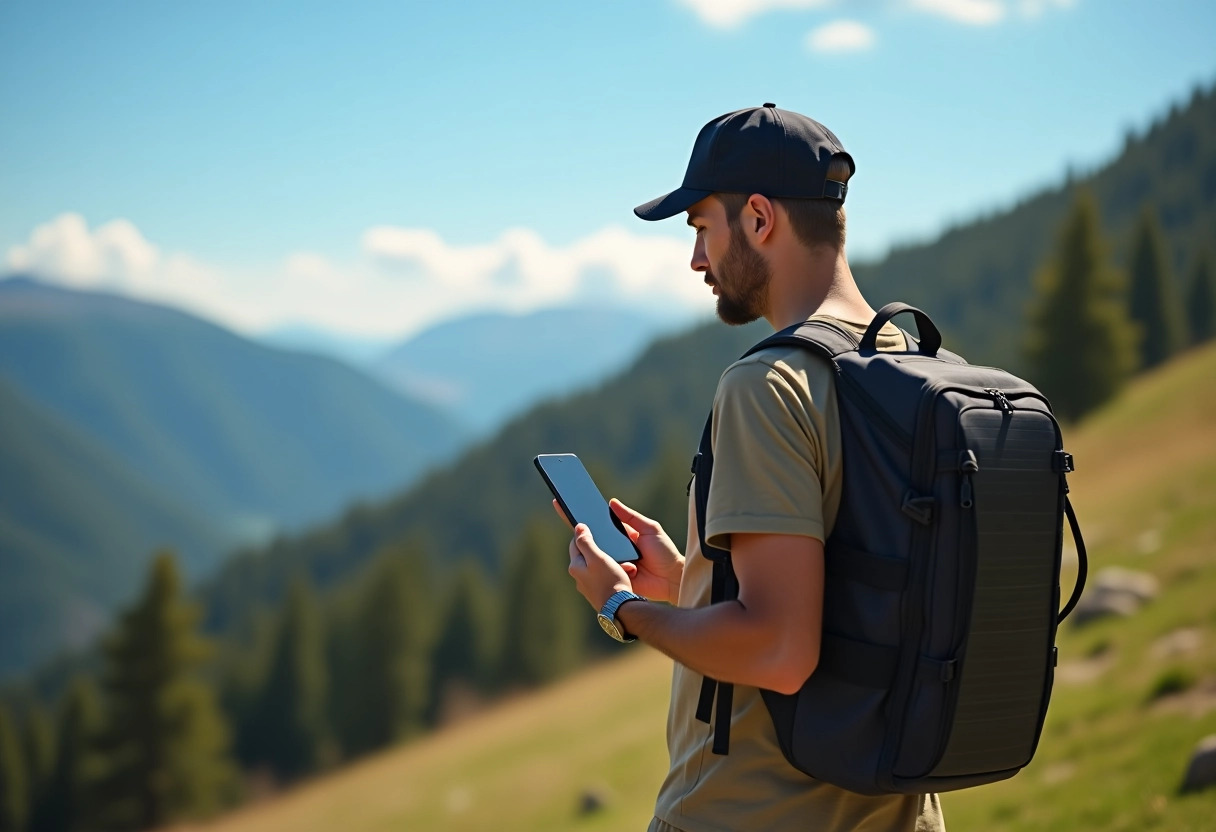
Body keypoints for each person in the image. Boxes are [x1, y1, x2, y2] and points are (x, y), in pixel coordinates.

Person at [562, 104, 946, 832]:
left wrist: (623, 608)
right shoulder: (908, 367)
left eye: (703, 227)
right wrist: (689, 582)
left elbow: (779, 649)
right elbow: (858, 596)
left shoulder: (768, 385)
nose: (697, 259)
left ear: (760, 219)